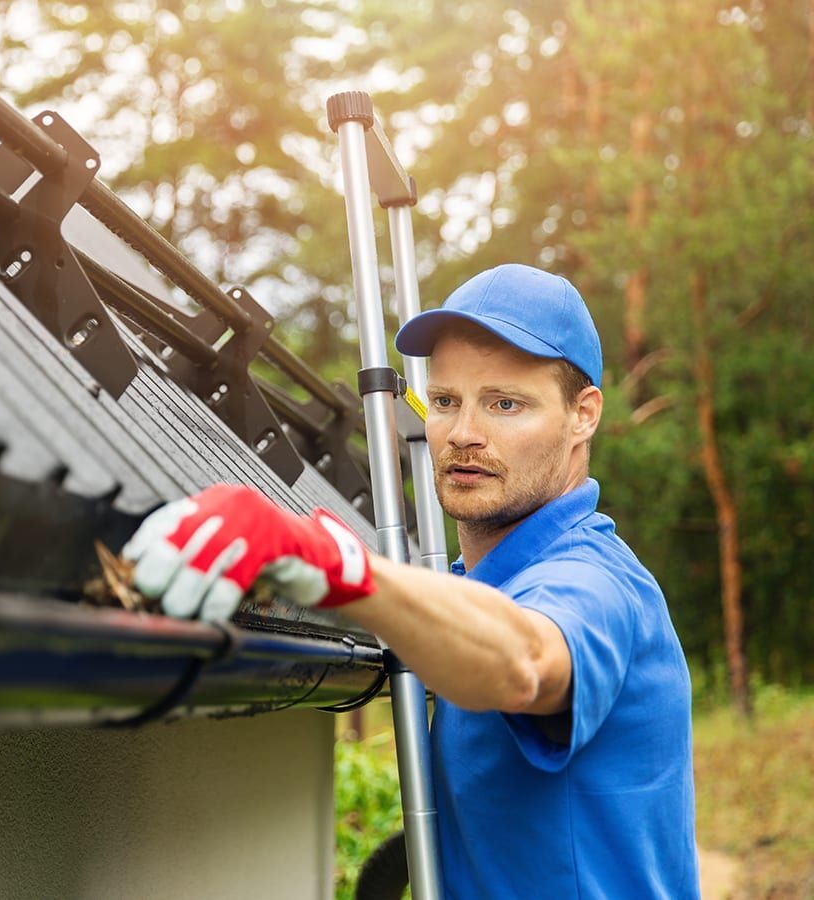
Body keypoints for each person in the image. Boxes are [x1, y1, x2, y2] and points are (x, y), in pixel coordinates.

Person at [121, 264, 698, 899]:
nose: (464, 434)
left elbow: (525, 660)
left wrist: (343, 570)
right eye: (446, 401)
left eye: (506, 403)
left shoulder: (595, 580)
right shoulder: (479, 587)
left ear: (583, 415)